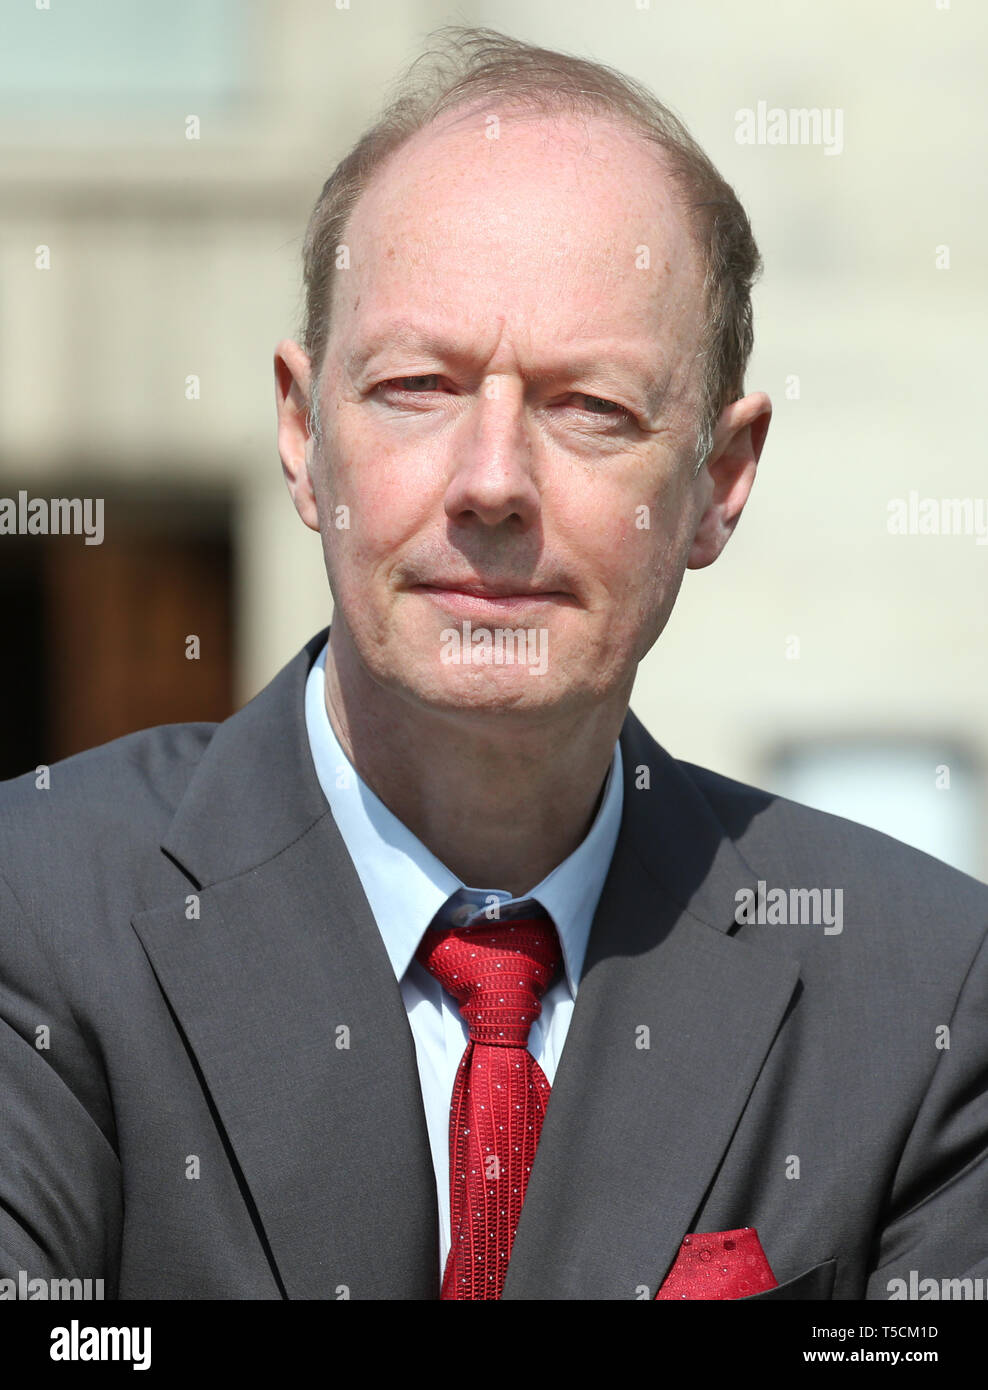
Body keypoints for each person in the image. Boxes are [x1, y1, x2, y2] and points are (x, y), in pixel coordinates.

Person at [1, 26, 986, 1302]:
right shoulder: (34, 911)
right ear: (303, 436)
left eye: (590, 407)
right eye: (417, 386)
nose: (491, 483)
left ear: (718, 483)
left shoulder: (918, 995)